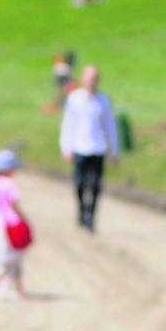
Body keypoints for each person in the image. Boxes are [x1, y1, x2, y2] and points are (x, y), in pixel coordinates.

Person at [59, 64, 119, 230]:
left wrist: (114, 151)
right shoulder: (74, 99)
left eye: (94, 78)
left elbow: (111, 127)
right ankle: (81, 210)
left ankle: (91, 217)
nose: (91, 81)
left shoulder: (104, 101)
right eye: (89, 78)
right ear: (83, 79)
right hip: (79, 146)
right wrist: (65, 147)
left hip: (98, 148)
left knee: (95, 185)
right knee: (79, 183)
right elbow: (68, 124)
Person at [0, 149, 33, 302]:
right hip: (10, 225)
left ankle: (1, 290)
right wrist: (25, 220)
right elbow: (15, 205)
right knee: (9, 260)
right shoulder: (9, 183)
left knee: (1, 259)